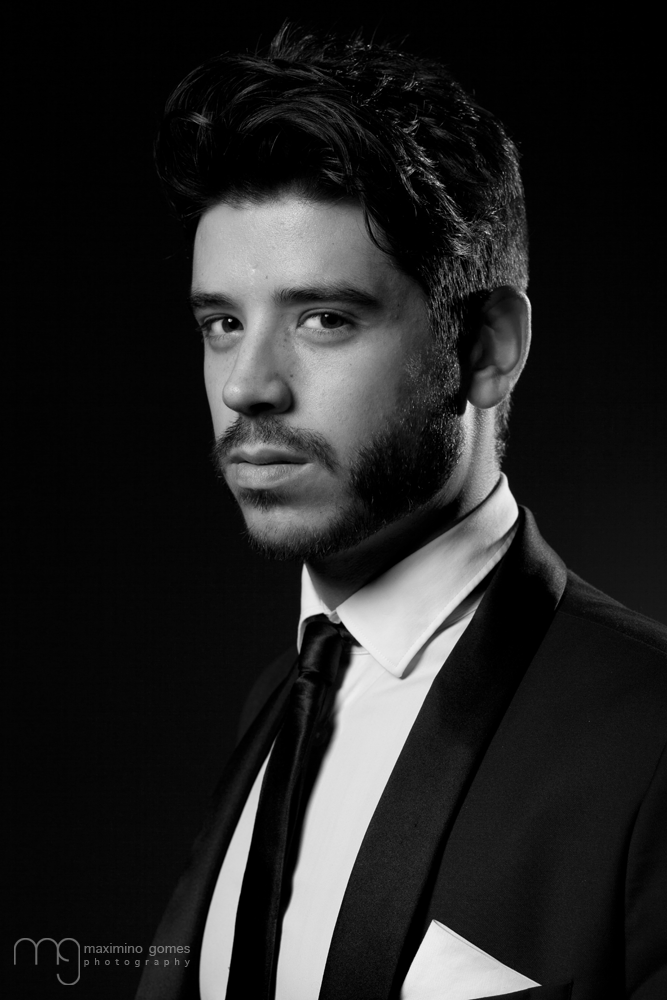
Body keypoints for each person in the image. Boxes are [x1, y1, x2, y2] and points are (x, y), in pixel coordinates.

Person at [137, 25, 667, 1000]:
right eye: (222, 322)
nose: (246, 384)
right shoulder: (279, 701)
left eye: (324, 318)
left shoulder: (647, 743)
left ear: (487, 348)